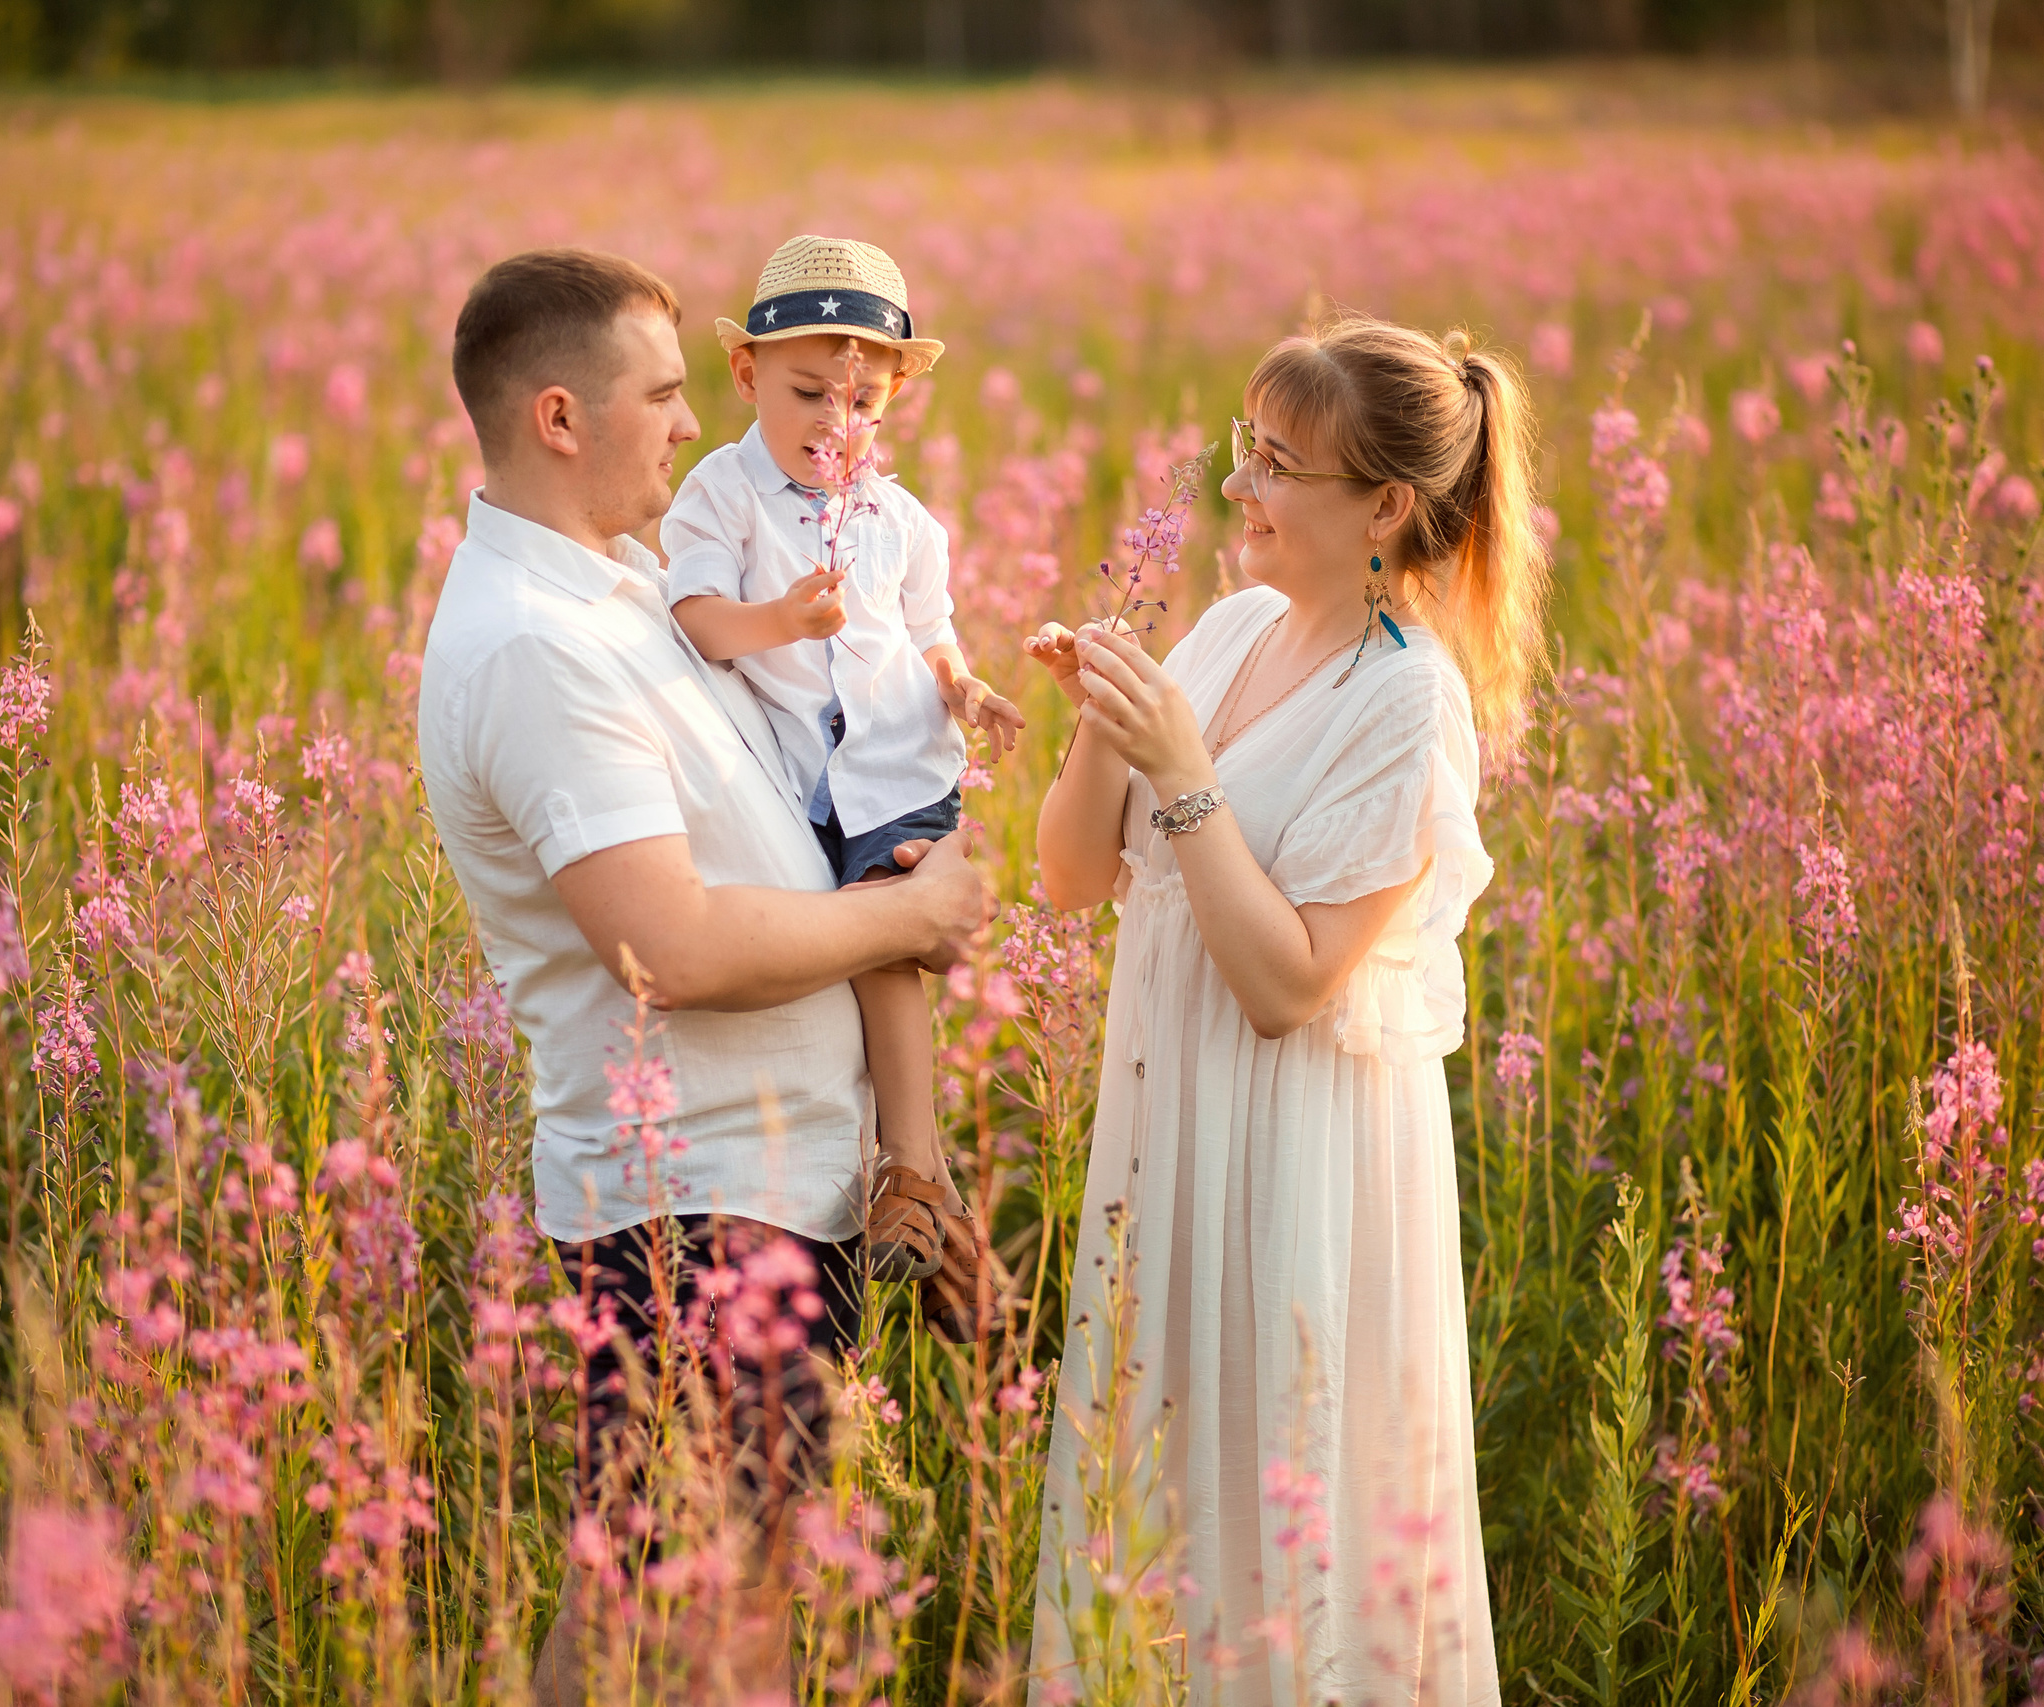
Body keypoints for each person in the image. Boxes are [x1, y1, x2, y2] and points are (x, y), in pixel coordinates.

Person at [413, 247, 994, 1705]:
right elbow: (663, 947)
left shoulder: (618, 586)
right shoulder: (538, 645)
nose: (691, 424)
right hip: (690, 1209)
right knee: (701, 1622)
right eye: (665, 394)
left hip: (760, 1185)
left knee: (667, 1600)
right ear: (559, 417)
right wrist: (913, 921)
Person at [1020, 314, 1548, 1706]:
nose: (1235, 487)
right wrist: (1107, 718)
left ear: (1384, 507)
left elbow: (1285, 985)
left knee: (1285, 1492)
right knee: (1158, 1487)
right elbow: (1067, 879)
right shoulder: (1233, 627)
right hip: (1168, 1144)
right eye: (1244, 449)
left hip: (1295, 1162)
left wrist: (1182, 768)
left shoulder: (1409, 700)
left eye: (1276, 467)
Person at [664, 233, 1023, 1339]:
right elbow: (698, 617)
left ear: (896, 396)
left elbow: (930, 636)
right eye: (809, 392)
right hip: (791, 781)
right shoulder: (720, 493)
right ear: (746, 374)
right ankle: (929, 1200)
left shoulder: (901, 521)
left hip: (893, 761)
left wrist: (968, 690)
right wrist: (781, 620)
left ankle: (910, 1169)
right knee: (855, 952)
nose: (836, 421)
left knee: (883, 930)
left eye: (863, 402)